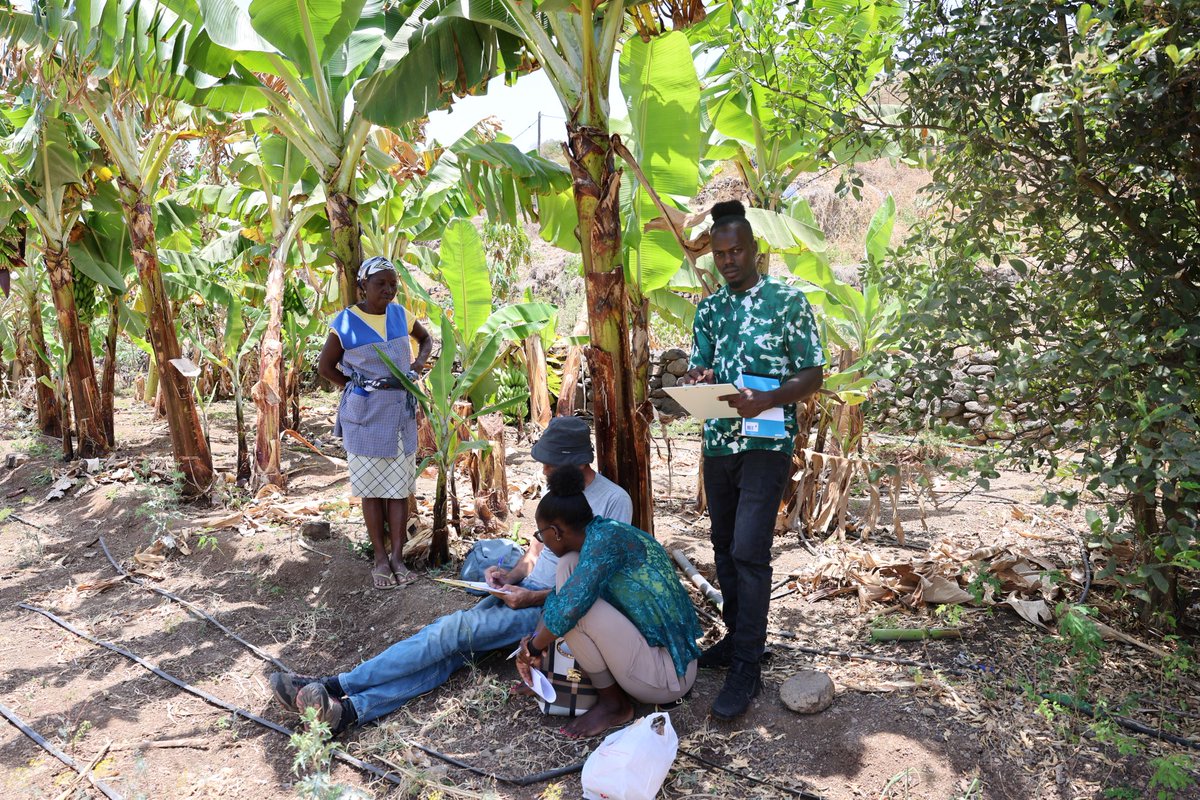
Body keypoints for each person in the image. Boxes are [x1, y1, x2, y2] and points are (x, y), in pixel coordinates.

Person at [268, 417, 632, 734]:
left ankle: (332, 684)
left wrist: (531, 598)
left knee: (450, 632)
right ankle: (346, 712)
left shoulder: (614, 501)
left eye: (549, 464)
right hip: (526, 595)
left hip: (555, 609)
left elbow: (589, 586)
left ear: (573, 461)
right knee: (450, 654)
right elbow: (535, 552)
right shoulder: (559, 492)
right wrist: (511, 576)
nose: (544, 471)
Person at [680, 200, 824, 720]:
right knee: (722, 547)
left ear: (754, 249)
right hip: (719, 443)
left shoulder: (787, 302)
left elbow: (813, 375)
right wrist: (697, 381)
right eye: (719, 253)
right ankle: (740, 641)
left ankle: (747, 668)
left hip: (766, 443)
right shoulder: (710, 309)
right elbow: (701, 366)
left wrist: (768, 399)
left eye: (736, 249)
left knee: (749, 550)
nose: (728, 260)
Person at [515, 467, 701, 738]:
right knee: (568, 571)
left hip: (668, 676)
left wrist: (531, 649)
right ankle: (570, 679)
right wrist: (543, 657)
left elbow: (568, 609)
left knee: (577, 612)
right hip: (653, 655)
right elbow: (560, 601)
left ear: (555, 531)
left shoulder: (603, 546)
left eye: (541, 535)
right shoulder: (602, 535)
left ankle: (615, 705)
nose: (542, 541)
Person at [317, 257, 432, 590]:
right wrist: (358, 386)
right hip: (365, 418)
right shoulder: (347, 322)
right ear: (362, 285)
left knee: (397, 491)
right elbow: (325, 367)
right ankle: (380, 559)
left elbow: (425, 340)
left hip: (400, 416)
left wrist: (417, 366)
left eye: (393, 283)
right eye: (381, 283)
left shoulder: (400, 315)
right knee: (371, 491)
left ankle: (398, 558)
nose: (388, 289)